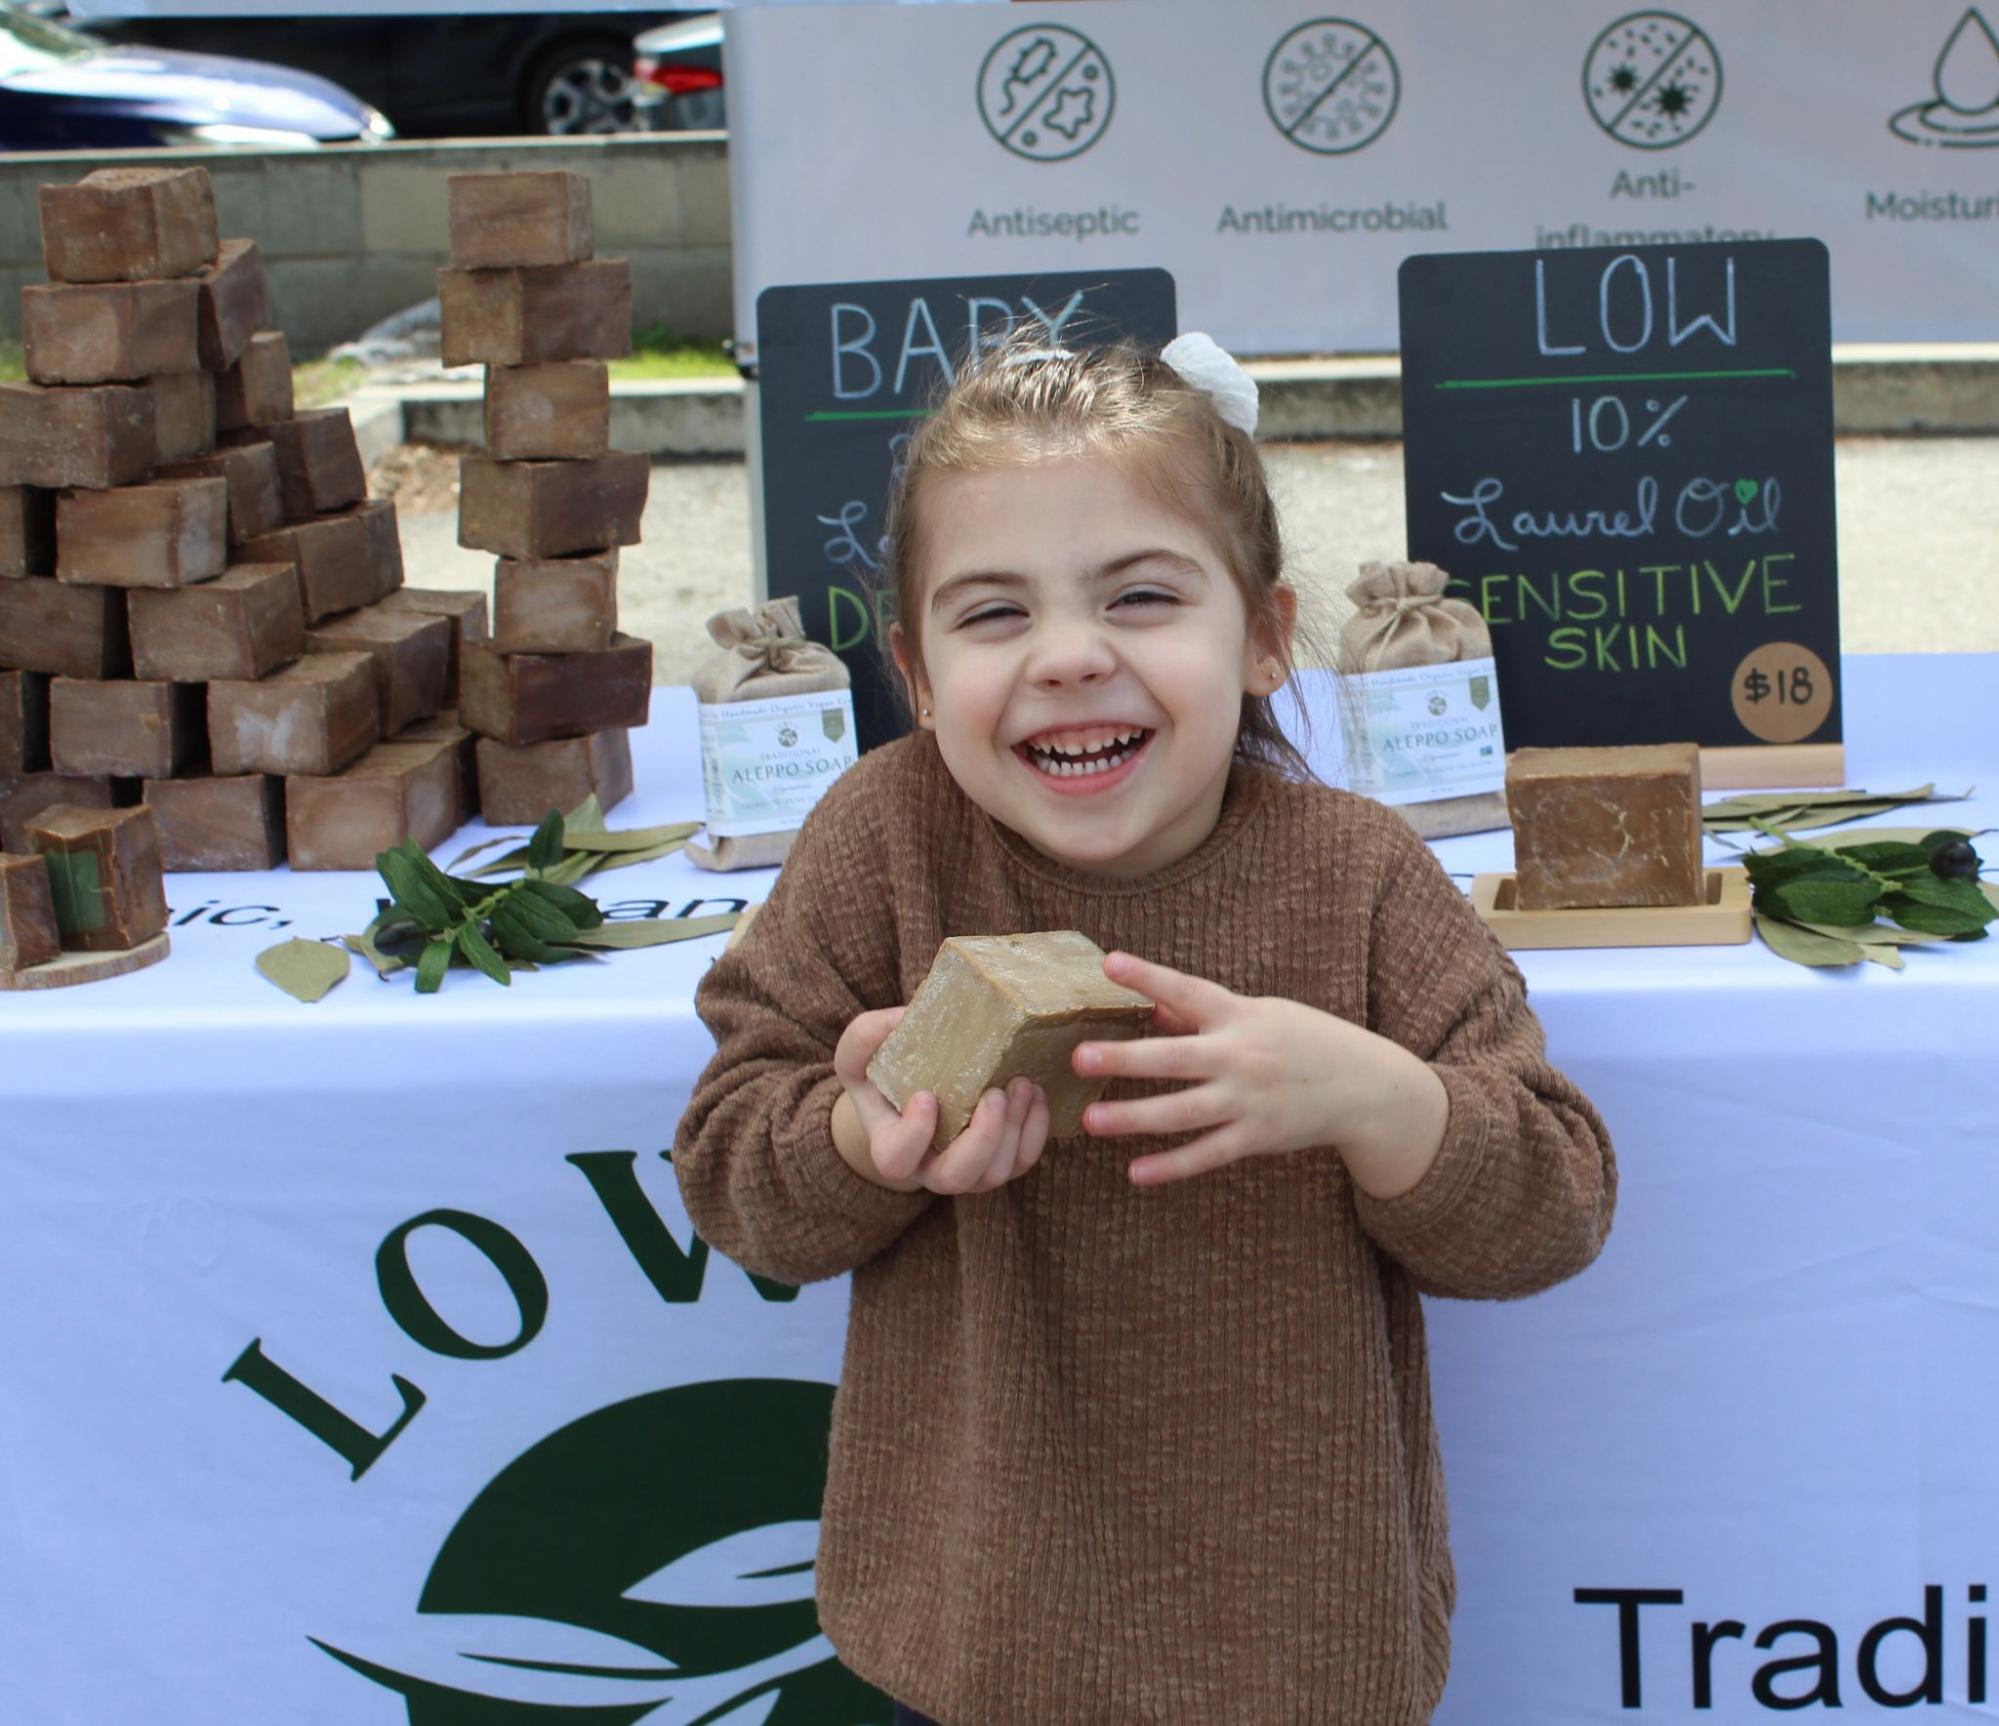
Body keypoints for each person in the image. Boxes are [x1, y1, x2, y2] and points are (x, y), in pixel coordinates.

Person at [671, 331, 1616, 1725]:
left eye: (1143, 595)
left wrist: (1376, 1100)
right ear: (916, 672)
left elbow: (1554, 1204)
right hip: (983, 1631)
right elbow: (733, 1170)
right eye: (993, 615)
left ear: (1267, 636)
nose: (1067, 657)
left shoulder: (1356, 877)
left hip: (1301, 1638)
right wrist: (857, 1140)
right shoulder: (882, 843)